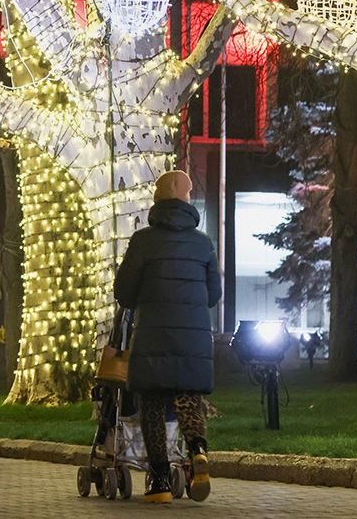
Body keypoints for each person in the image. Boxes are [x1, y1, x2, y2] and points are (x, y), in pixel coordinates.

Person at [114, 170, 221, 504]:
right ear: (186, 200)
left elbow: (124, 292)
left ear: (158, 201)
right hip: (192, 339)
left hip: (152, 337)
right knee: (189, 395)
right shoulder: (203, 243)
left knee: (152, 401)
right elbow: (214, 294)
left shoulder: (143, 241)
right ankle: (198, 450)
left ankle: (158, 479)